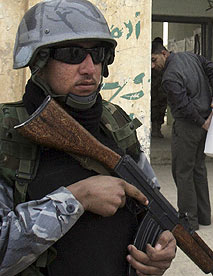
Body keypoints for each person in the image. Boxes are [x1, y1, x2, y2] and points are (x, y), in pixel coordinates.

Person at [0, 0, 176, 275]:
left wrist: (161, 246)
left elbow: (149, 199)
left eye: (98, 54)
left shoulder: (115, 120)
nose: (89, 67)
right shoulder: (7, 132)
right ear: (38, 60)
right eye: (72, 54)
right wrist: (76, 198)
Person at [151, 41, 213, 231]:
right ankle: (204, 216)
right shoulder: (192, 57)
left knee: (182, 171)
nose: (153, 66)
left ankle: (189, 219)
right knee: (198, 168)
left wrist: (201, 122)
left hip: (189, 126)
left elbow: (183, 106)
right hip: (203, 122)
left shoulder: (169, 77)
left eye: (154, 60)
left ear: (164, 53)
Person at [150, 37, 168, 138]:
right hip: (156, 87)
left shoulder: (162, 55)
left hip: (160, 87)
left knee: (159, 108)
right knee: (156, 108)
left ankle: (157, 129)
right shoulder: (154, 54)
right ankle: (155, 129)